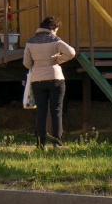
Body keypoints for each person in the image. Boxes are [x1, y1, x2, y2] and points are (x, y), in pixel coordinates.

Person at [22, 16, 76, 147]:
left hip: (38, 80)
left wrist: (37, 65)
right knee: (56, 110)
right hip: (56, 78)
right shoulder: (55, 40)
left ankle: (40, 143)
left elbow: (26, 63)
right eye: (56, 29)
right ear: (53, 27)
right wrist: (58, 60)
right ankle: (57, 142)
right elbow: (71, 52)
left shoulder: (30, 42)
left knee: (41, 111)